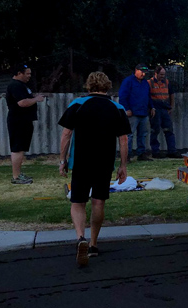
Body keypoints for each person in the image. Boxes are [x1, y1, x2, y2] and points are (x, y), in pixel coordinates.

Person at [58, 71, 131, 267]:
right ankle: (93, 244)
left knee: (78, 201)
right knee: (99, 202)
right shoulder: (117, 108)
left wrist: (62, 160)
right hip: (104, 161)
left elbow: (66, 134)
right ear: (107, 86)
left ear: (88, 86)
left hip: (81, 160)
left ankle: (80, 237)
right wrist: (123, 166)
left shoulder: (77, 104)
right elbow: (123, 140)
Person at [6, 63, 45, 184]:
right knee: (17, 148)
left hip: (24, 120)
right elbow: (22, 103)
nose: (29, 76)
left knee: (21, 148)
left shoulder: (22, 85)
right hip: (18, 121)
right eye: (27, 73)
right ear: (19, 73)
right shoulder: (15, 86)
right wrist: (36, 99)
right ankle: (16, 177)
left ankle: (18, 174)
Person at [119, 64, 153, 161]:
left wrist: (152, 107)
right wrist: (126, 109)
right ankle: (127, 155)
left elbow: (148, 96)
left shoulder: (145, 83)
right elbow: (123, 96)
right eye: (141, 72)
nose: (143, 74)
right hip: (132, 113)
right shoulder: (128, 81)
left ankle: (141, 153)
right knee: (129, 135)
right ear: (136, 70)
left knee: (143, 134)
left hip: (143, 112)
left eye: (144, 73)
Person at [148, 66, 180, 158]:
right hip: (155, 109)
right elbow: (147, 96)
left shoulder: (166, 82)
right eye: (161, 74)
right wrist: (151, 108)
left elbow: (171, 94)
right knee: (155, 130)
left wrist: (171, 106)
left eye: (164, 74)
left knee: (169, 130)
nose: (163, 76)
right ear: (156, 73)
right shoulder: (149, 83)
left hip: (165, 109)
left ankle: (172, 151)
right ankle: (155, 151)